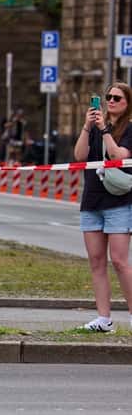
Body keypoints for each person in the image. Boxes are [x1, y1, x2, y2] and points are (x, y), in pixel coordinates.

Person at [73, 82, 132, 332]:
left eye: (117, 98)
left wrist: (105, 130)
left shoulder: (129, 128)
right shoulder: (95, 125)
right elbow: (79, 155)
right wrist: (88, 127)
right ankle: (103, 318)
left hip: (118, 200)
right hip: (93, 200)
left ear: (127, 103)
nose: (111, 101)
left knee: (119, 261)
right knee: (96, 261)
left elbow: (119, 155)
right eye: (108, 97)